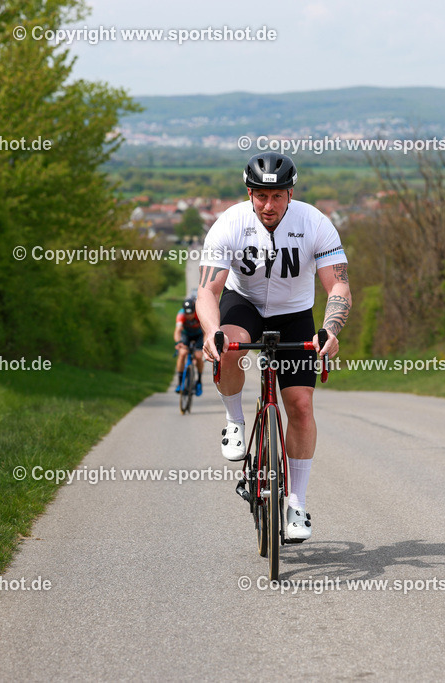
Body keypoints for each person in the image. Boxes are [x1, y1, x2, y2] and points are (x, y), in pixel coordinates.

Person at [197, 152, 351, 542]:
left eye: (278, 196)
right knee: (229, 346)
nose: (269, 205)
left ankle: (296, 503)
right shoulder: (229, 224)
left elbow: (339, 286)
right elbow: (208, 290)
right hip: (243, 304)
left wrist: (330, 329)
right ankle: (234, 420)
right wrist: (213, 331)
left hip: (294, 313)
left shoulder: (315, 223)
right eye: (261, 196)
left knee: (299, 405)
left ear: (290, 193)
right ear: (250, 194)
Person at [174, 298, 204, 395]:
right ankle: (179, 382)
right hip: (186, 335)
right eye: (187, 314)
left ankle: (199, 381)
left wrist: (205, 344)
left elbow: (206, 331)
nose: (189, 316)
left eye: (191, 313)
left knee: (199, 356)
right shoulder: (181, 315)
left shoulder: (200, 313)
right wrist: (178, 342)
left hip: (199, 335)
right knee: (182, 353)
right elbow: (177, 331)